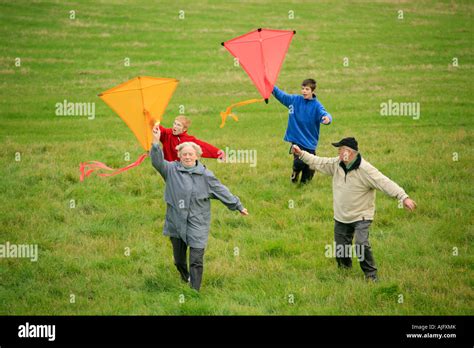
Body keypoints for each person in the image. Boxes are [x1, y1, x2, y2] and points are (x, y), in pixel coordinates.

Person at [291, 137, 416, 281]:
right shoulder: (336, 164)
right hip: (341, 216)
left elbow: (384, 182)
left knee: (361, 244)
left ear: (350, 153)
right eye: (338, 150)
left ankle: (371, 275)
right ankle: (344, 273)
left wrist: (403, 197)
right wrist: (300, 154)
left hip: (361, 216)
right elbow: (318, 161)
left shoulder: (366, 170)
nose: (338, 153)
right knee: (341, 250)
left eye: (341, 150)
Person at [150, 124, 248, 291]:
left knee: (196, 259)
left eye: (191, 154)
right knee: (179, 260)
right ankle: (185, 276)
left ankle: (194, 291)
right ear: (179, 156)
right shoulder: (171, 170)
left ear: (197, 156)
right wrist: (155, 141)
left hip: (198, 221)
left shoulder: (206, 176)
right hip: (176, 221)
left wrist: (237, 205)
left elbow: (221, 191)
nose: (187, 157)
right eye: (184, 154)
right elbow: (157, 162)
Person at [272, 78, 332, 184]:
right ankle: (295, 173)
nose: (304, 91)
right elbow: (281, 95)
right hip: (297, 139)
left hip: (310, 142)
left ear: (312, 91)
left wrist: (327, 119)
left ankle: (303, 185)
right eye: (303, 88)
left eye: (307, 89)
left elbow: (325, 114)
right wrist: (271, 86)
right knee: (299, 162)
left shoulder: (317, 106)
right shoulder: (294, 100)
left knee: (308, 174)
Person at [144, 110, 223, 162]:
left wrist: (218, 153)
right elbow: (156, 126)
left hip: (182, 167)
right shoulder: (167, 134)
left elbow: (204, 147)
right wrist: (147, 115)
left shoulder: (189, 140)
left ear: (184, 129)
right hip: (168, 167)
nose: (175, 126)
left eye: (178, 125)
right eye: (174, 123)